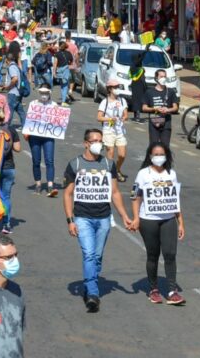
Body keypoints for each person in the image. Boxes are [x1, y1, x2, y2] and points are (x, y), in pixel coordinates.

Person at [63, 128, 135, 312]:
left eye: (100, 141)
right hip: (82, 218)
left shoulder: (108, 164)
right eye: (94, 140)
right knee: (89, 254)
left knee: (97, 256)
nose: (98, 144)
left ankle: (90, 283)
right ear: (86, 143)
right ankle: (93, 294)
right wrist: (70, 220)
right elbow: (68, 194)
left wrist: (125, 216)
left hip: (103, 218)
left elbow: (115, 192)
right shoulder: (75, 164)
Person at [130, 143, 185, 306]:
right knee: (153, 254)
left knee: (170, 254)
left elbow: (175, 200)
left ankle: (172, 291)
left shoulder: (171, 174)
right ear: (150, 156)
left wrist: (180, 221)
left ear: (166, 156)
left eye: (162, 154)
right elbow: (135, 196)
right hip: (148, 220)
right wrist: (136, 218)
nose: (159, 157)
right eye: (155, 154)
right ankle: (153, 289)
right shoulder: (142, 174)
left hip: (168, 219)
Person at [26, 86, 58, 197]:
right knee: (36, 160)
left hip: (48, 136)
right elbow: (29, 119)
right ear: (39, 93)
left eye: (46, 93)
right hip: (35, 136)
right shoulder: (33, 104)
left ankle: (50, 185)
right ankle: (38, 184)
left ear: (49, 93)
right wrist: (27, 131)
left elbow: (58, 121)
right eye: (42, 93)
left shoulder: (54, 105)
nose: (44, 95)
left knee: (49, 160)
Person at [98, 80, 130, 183]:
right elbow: (99, 117)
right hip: (108, 130)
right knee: (110, 153)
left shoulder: (122, 101)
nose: (117, 89)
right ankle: (111, 173)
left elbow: (126, 114)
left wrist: (124, 118)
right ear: (109, 89)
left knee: (122, 155)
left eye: (118, 86)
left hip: (120, 130)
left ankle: (117, 168)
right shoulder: (105, 102)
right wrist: (110, 119)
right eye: (115, 87)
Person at [142, 69, 179, 150]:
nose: (163, 78)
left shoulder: (170, 91)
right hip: (154, 122)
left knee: (165, 147)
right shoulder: (149, 92)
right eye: (161, 76)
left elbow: (175, 107)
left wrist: (168, 110)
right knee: (153, 146)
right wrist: (154, 108)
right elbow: (144, 108)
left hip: (166, 123)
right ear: (156, 78)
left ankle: (166, 162)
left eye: (165, 77)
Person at [0, 51, 26, 127]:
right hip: (17, 92)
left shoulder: (12, 67)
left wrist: (8, 87)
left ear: (7, 60)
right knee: (20, 111)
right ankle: (25, 125)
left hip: (13, 92)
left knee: (9, 110)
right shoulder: (16, 66)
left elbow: (14, 79)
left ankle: (6, 126)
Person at [51, 39, 73, 106]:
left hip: (59, 70)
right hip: (66, 70)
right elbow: (71, 61)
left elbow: (55, 64)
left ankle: (63, 99)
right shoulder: (69, 53)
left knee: (62, 86)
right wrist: (68, 63)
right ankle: (63, 101)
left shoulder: (57, 54)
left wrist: (54, 72)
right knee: (65, 85)